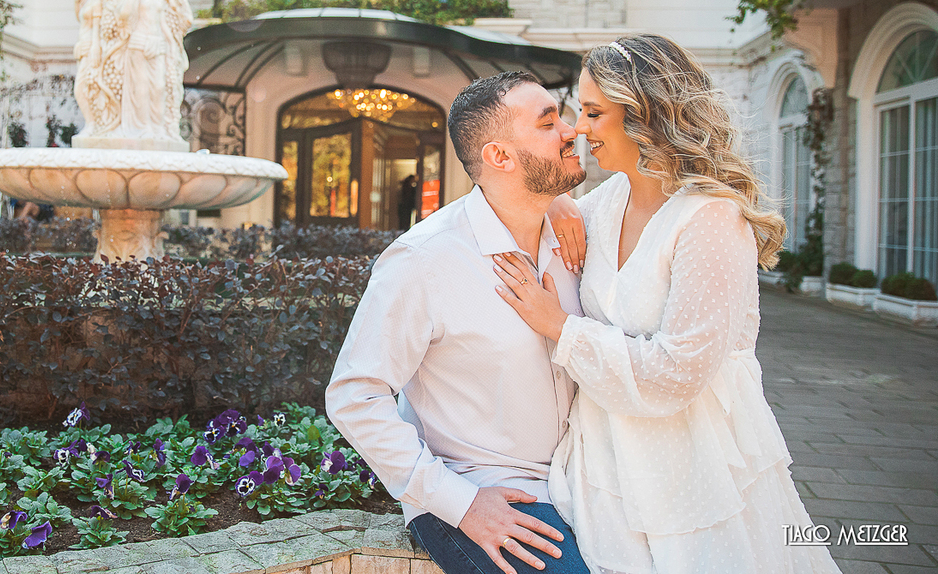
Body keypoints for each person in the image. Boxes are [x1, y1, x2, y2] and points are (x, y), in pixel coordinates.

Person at [491, 35, 841, 574]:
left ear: (645, 114)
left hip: (692, 466)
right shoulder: (605, 203)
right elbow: (523, 206)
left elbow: (679, 372)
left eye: (594, 113)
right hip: (604, 462)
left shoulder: (711, 218)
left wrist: (559, 325)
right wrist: (557, 201)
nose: (579, 128)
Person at [327, 72, 592, 574]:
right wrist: (461, 502)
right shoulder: (424, 260)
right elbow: (354, 396)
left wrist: (562, 202)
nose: (572, 130)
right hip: (485, 492)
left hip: (582, 484)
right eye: (548, 123)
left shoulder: (573, 237)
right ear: (500, 157)